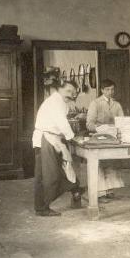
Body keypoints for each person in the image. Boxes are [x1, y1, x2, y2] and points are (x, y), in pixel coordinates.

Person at [33, 79, 83, 216]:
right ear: (59, 89)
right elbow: (61, 122)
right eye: (68, 91)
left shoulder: (59, 101)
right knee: (49, 176)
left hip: (50, 138)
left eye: (73, 92)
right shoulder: (56, 102)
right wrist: (72, 137)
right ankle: (42, 208)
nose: (71, 94)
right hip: (46, 139)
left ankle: (74, 189)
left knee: (48, 174)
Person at [86, 79, 125, 203]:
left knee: (112, 162)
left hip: (112, 137)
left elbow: (122, 121)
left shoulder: (117, 104)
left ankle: (110, 191)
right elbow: (89, 124)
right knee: (99, 164)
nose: (110, 92)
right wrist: (101, 128)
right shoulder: (95, 103)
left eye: (112, 89)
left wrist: (118, 128)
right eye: (107, 89)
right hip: (98, 137)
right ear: (102, 90)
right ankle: (100, 193)